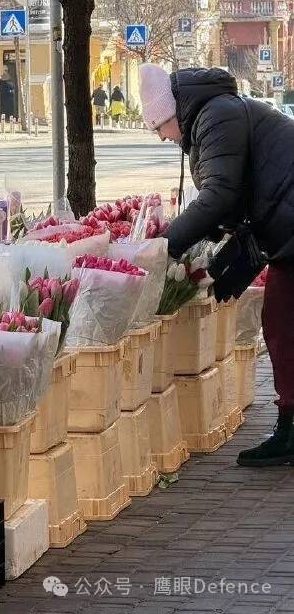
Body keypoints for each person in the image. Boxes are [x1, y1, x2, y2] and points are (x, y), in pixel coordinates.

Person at [139, 63, 294, 467]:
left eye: (159, 126)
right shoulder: (213, 111)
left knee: (282, 324)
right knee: (281, 324)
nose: (161, 136)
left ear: (173, 112)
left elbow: (220, 193)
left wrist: (162, 248)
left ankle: (290, 432)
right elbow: (237, 193)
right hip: (285, 224)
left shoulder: (215, 114)